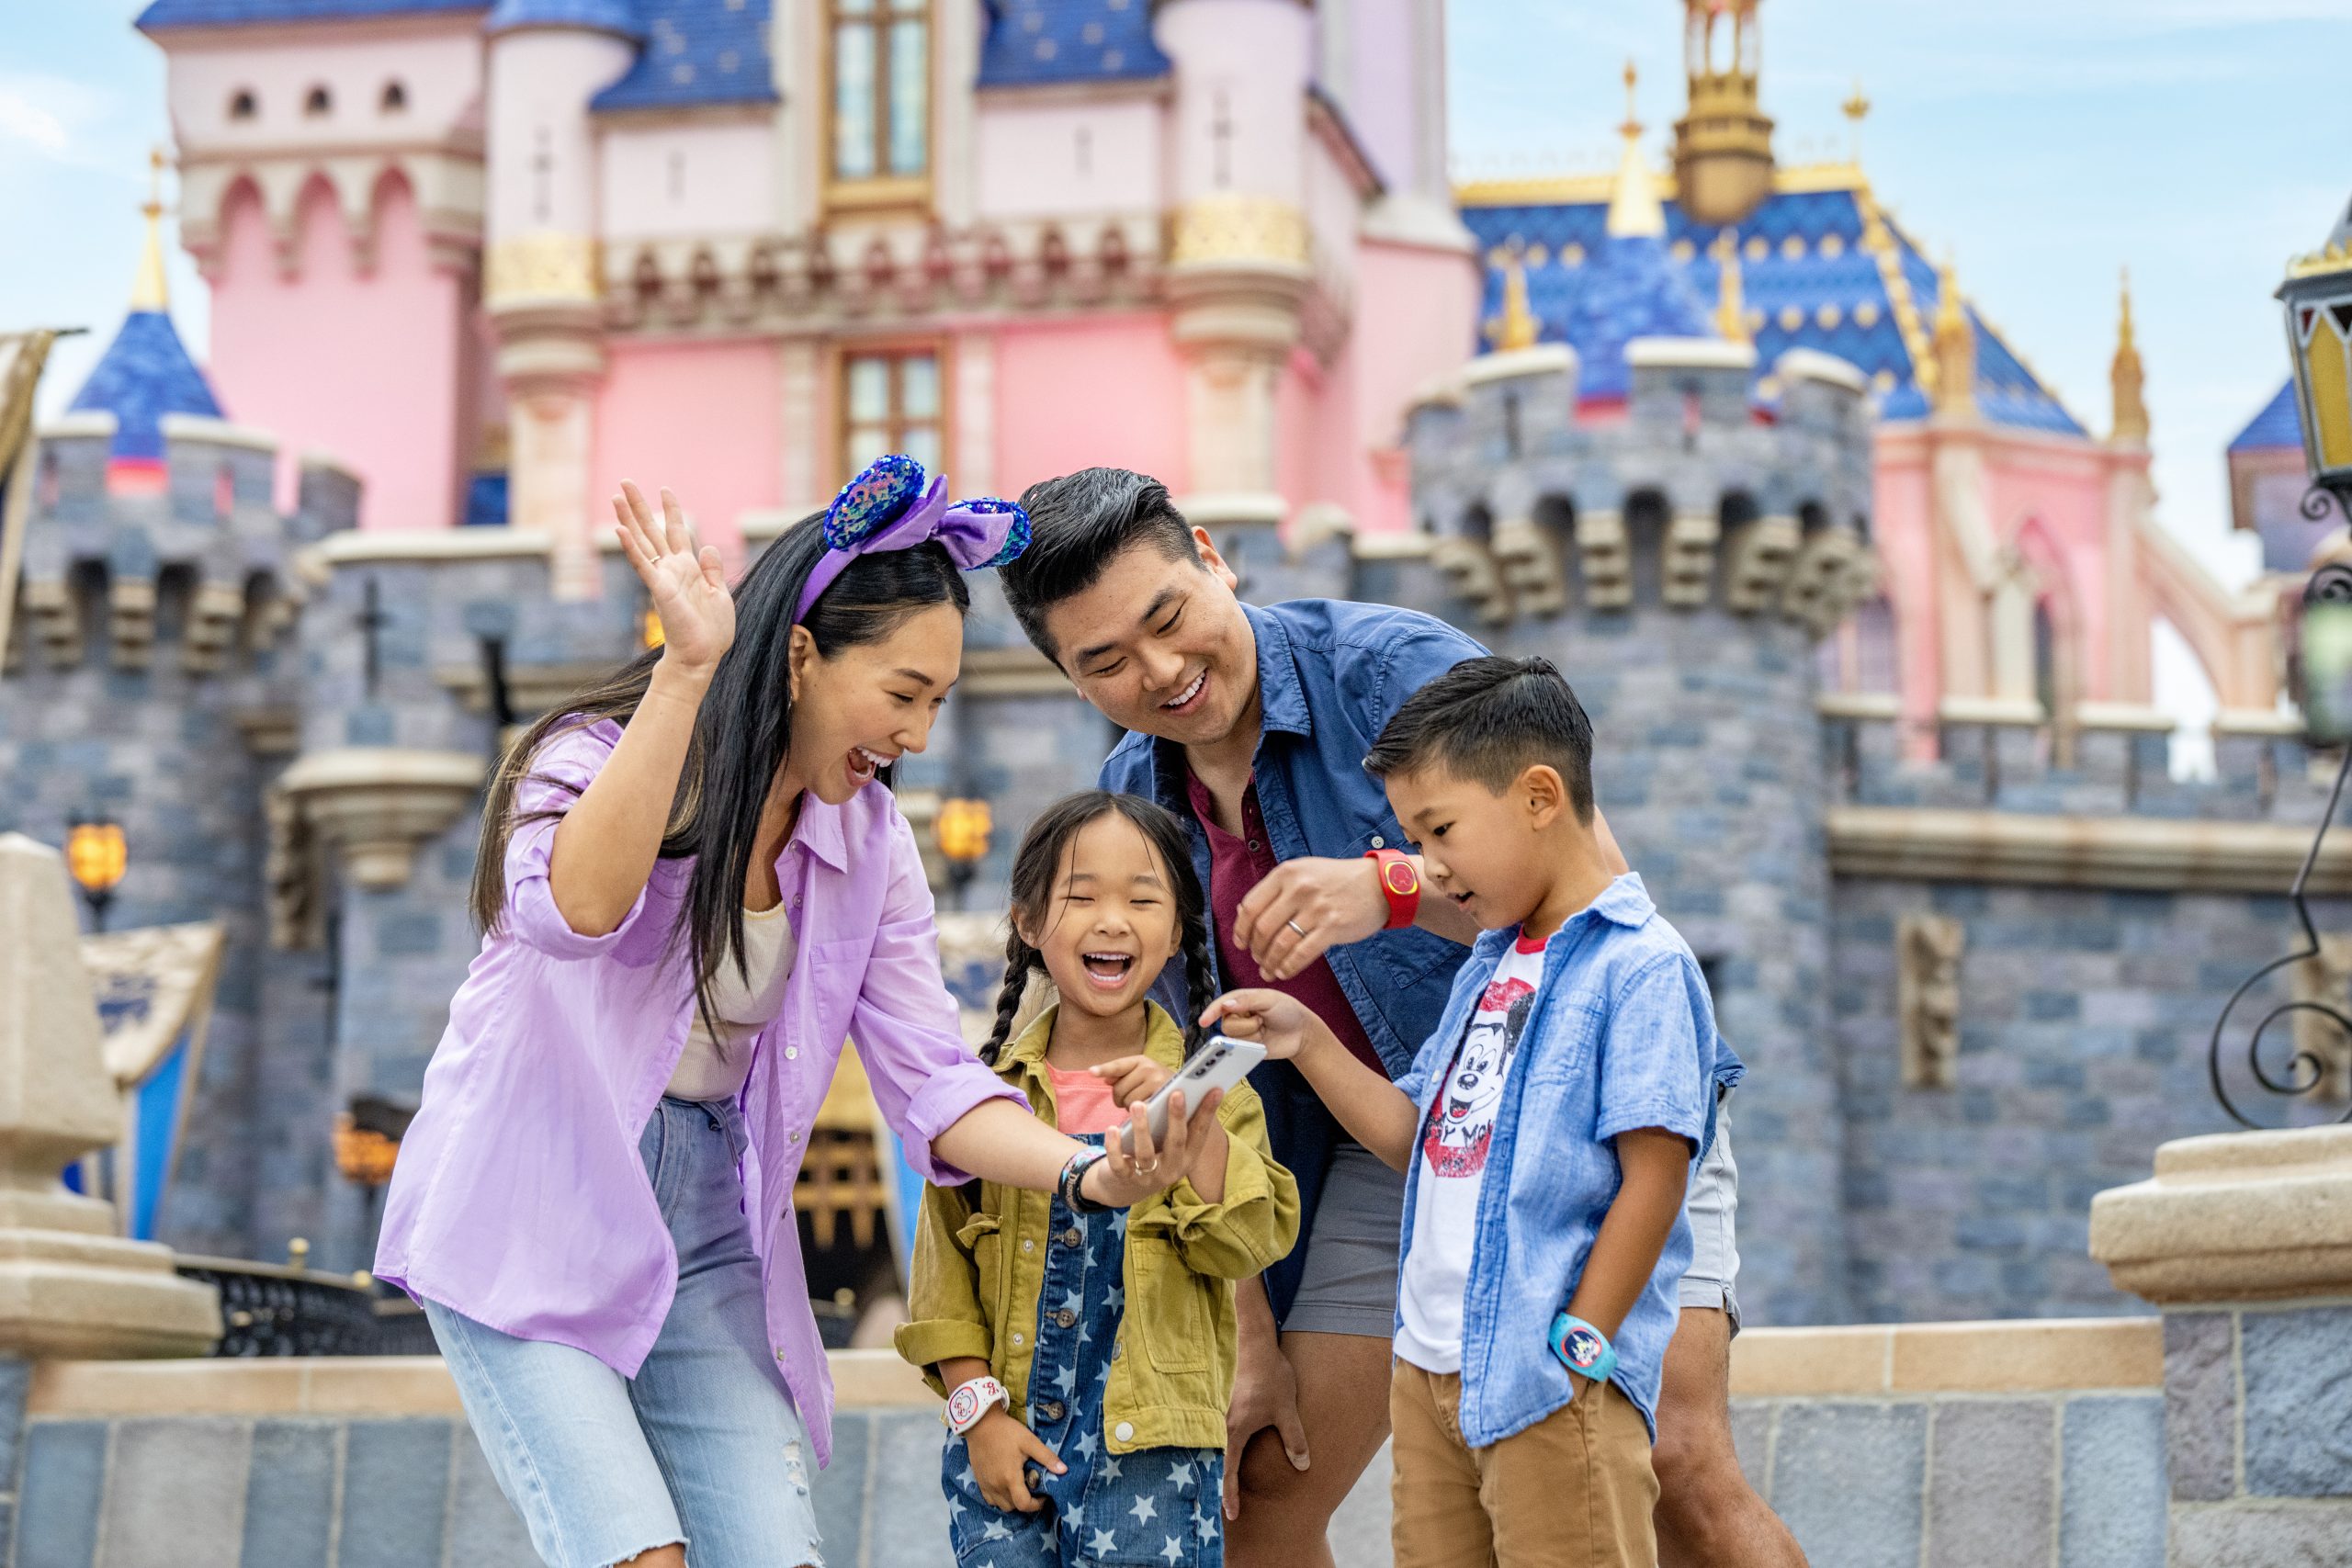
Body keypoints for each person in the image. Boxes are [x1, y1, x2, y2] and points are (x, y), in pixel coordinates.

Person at [374, 459, 1223, 1568]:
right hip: (529, 1199)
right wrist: (687, 674)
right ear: (801, 655)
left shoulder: (870, 845)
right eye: (903, 694)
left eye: (938, 703)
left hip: (709, 1227)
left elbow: (932, 1078)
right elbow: (577, 911)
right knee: (643, 1559)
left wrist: (1085, 1170)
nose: (918, 736)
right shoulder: (589, 756)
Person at [995, 468, 1801, 1568]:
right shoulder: (1136, 798)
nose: (1162, 671)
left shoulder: (1388, 670)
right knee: (1263, 1501)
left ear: (1211, 558)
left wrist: (1390, 887)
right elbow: (1192, 1081)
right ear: (1069, 679)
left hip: (1587, 1108)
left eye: (1168, 617)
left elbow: (1597, 890)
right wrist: (1247, 1335)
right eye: (1105, 662)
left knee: (1675, 1464)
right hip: (1385, 1146)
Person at [1206, 654, 1738, 1568]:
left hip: (1548, 1378)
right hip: (1432, 1375)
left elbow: (1654, 1180)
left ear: (1539, 796)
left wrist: (1579, 1348)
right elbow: (1417, 1140)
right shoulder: (1488, 964)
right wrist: (1309, 1040)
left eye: (1440, 830)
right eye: (1415, 836)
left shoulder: (1641, 965)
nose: (1432, 867)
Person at [896, 791, 1300, 1567]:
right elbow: (942, 1286)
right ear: (1026, 921)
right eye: (1081, 897)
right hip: (1006, 1444)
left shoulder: (1215, 1094)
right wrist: (978, 1415)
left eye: (1143, 900)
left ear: (1176, 930)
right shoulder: (985, 1101)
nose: (1113, 920)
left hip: (1153, 1459)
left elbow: (1248, 1239)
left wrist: (1191, 1121)